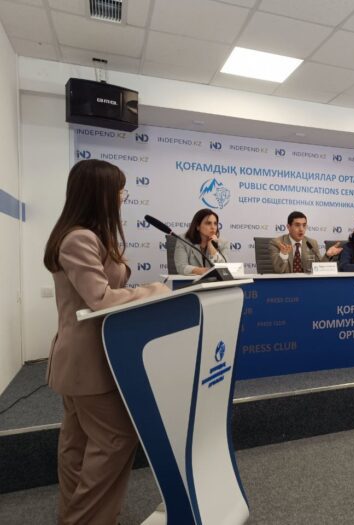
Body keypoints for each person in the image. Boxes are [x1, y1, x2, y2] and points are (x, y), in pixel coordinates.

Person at [43, 159, 169, 524]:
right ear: (99, 193)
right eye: (118, 191)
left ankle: (75, 515)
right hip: (87, 361)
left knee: (78, 445)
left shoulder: (90, 235)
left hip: (85, 360)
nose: (122, 197)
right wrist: (154, 290)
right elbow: (100, 298)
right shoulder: (79, 239)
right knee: (115, 439)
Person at [269, 211, 343, 273]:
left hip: (306, 283)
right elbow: (278, 270)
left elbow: (318, 268)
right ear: (288, 227)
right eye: (297, 225)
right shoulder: (277, 243)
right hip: (285, 283)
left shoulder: (312, 243)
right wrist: (283, 255)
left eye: (304, 225)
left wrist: (327, 255)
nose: (301, 229)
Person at [173, 208, 228, 275]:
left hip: (214, 281)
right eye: (208, 223)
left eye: (215, 223)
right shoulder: (183, 240)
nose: (213, 227)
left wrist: (212, 248)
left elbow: (223, 269)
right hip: (192, 280)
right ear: (198, 226)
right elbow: (181, 267)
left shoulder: (223, 243)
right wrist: (201, 271)